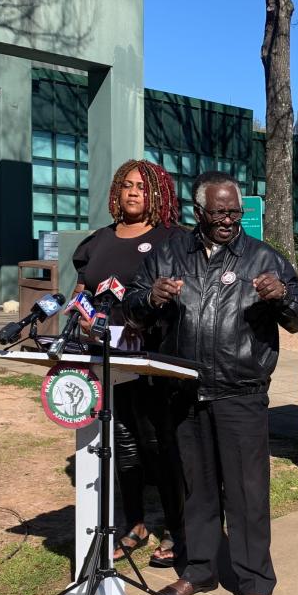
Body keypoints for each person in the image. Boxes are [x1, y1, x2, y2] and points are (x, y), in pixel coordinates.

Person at [124, 171, 298, 595]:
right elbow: (129, 308)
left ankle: (254, 582)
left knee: (247, 494)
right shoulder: (167, 254)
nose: (229, 220)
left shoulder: (262, 257)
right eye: (220, 212)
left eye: (235, 212)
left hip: (239, 393)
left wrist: (282, 295)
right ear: (199, 212)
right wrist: (151, 298)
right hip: (184, 392)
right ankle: (201, 568)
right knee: (196, 490)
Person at [70, 159, 186, 567]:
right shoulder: (98, 241)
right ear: (116, 192)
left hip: (152, 359)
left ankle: (177, 527)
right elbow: (81, 290)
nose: (134, 192)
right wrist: (79, 317)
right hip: (106, 358)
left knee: (159, 444)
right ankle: (135, 522)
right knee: (123, 443)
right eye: (127, 185)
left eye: (143, 186)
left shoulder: (173, 239)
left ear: (157, 194)